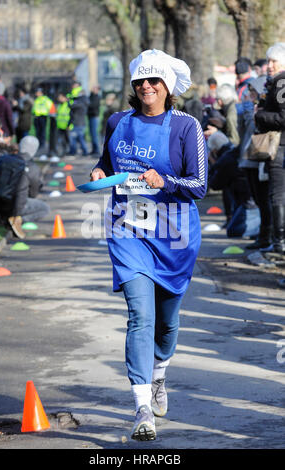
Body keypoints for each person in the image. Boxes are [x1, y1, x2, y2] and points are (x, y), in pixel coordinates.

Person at [90, 49, 208, 441]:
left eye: (153, 81)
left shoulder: (186, 127)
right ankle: (142, 407)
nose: (145, 87)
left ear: (167, 87)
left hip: (175, 235)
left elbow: (201, 185)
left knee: (167, 320)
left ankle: (159, 374)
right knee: (140, 315)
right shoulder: (117, 121)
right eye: (140, 81)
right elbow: (107, 162)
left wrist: (166, 182)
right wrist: (100, 171)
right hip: (129, 231)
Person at [254, 42, 285, 254]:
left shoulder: (281, 82)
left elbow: (284, 117)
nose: (269, 65)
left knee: (277, 195)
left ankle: (279, 242)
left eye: (274, 61)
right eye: (268, 61)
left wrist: (260, 114)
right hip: (278, 147)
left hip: (280, 148)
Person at [0, 136, 49, 238]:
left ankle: (1, 218)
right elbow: (33, 194)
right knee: (45, 208)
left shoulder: (4, 158)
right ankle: (16, 220)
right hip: (14, 206)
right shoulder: (33, 168)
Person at [238, 77, 273, 250]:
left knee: (263, 199)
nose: (249, 96)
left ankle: (266, 236)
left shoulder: (262, 108)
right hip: (248, 159)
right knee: (259, 200)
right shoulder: (252, 107)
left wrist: (248, 108)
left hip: (258, 158)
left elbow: (253, 126)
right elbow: (242, 129)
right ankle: (263, 234)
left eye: (252, 93)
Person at [67, 81, 89, 156]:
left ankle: (76, 151)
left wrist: (69, 101)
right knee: (79, 138)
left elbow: (72, 106)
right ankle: (83, 151)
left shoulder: (81, 101)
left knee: (76, 138)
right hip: (78, 122)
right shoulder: (82, 101)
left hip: (78, 122)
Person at [32, 88, 55, 152]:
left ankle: (42, 144)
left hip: (43, 117)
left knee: (42, 131)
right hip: (36, 117)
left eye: (37, 92)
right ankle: (38, 144)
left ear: (41, 93)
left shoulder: (45, 99)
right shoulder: (36, 99)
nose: (36, 93)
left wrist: (52, 115)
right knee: (37, 132)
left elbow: (51, 107)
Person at [56, 92, 70, 157]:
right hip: (60, 126)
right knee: (62, 141)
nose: (59, 99)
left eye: (61, 97)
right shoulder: (60, 105)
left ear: (65, 98)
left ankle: (69, 152)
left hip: (67, 126)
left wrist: (69, 125)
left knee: (68, 140)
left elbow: (72, 116)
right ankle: (64, 152)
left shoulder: (68, 105)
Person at [87, 85, 101, 155]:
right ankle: (93, 149)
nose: (93, 89)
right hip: (90, 117)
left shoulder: (97, 97)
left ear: (97, 90)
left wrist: (88, 104)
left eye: (95, 88)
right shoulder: (91, 96)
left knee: (94, 134)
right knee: (91, 134)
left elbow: (92, 105)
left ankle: (97, 150)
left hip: (94, 117)